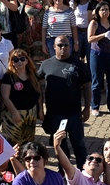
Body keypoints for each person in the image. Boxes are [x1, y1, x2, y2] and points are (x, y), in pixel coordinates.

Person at [39, 36, 92, 168]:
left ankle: (83, 172)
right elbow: (37, 84)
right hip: (54, 115)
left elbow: (87, 86)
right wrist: (40, 108)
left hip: (74, 114)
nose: (63, 48)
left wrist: (87, 108)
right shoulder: (46, 65)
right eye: (60, 45)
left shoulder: (78, 65)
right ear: (54, 47)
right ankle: (63, 172)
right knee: (60, 147)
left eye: (66, 45)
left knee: (79, 145)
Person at [0, 48, 41, 147]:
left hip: (31, 113)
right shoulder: (8, 76)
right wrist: (15, 112)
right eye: (16, 60)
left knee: (28, 142)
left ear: (27, 61)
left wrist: (40, 111)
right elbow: (5, 97)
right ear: (12, 62)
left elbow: (39, 93)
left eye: (22, 59)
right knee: (12, 143)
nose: (20, 62)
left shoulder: (33, 75)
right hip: (13, 113)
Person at [87, 1, 110, 116]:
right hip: (97, 55)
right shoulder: (94, 23)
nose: (105, 12)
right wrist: (103, 35)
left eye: (107, 9)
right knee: (97, 82)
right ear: (98, 11)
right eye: (102, 10)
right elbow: (90, 39)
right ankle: (95, 107)